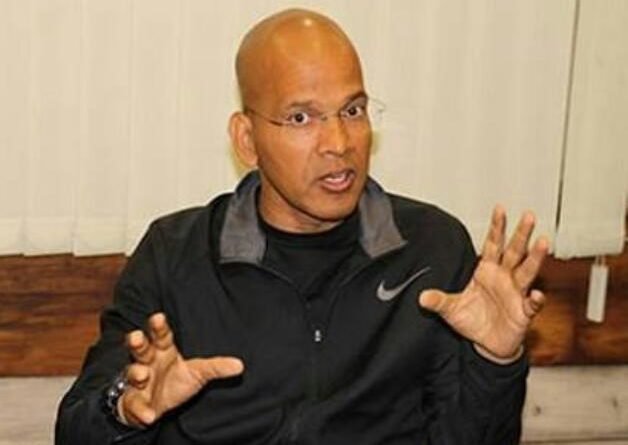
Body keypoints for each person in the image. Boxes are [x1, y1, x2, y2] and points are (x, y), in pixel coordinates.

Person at [56, 8, 548, 445]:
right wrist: (123, 410)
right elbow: (75, 429)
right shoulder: (175, 253)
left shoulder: (432, 248)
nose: (339, 142)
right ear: (246, 140)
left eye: (353, 110)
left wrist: (495, 361)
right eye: (300, 118)